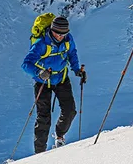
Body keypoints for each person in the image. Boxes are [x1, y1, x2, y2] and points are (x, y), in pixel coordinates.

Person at [21, 15, 86, 152]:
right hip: (43, 82)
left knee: (70, 111)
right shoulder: (41, 43)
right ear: (51, 30)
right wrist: (39, 73)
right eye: (58, 33)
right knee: (43, 118)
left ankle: (59, 135)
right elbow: (26, 64)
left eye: (64, 34)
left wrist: (76, 69)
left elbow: (72, 53)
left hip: (61, 79)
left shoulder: (68, 39)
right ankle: (40, 152)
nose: (60, 36)